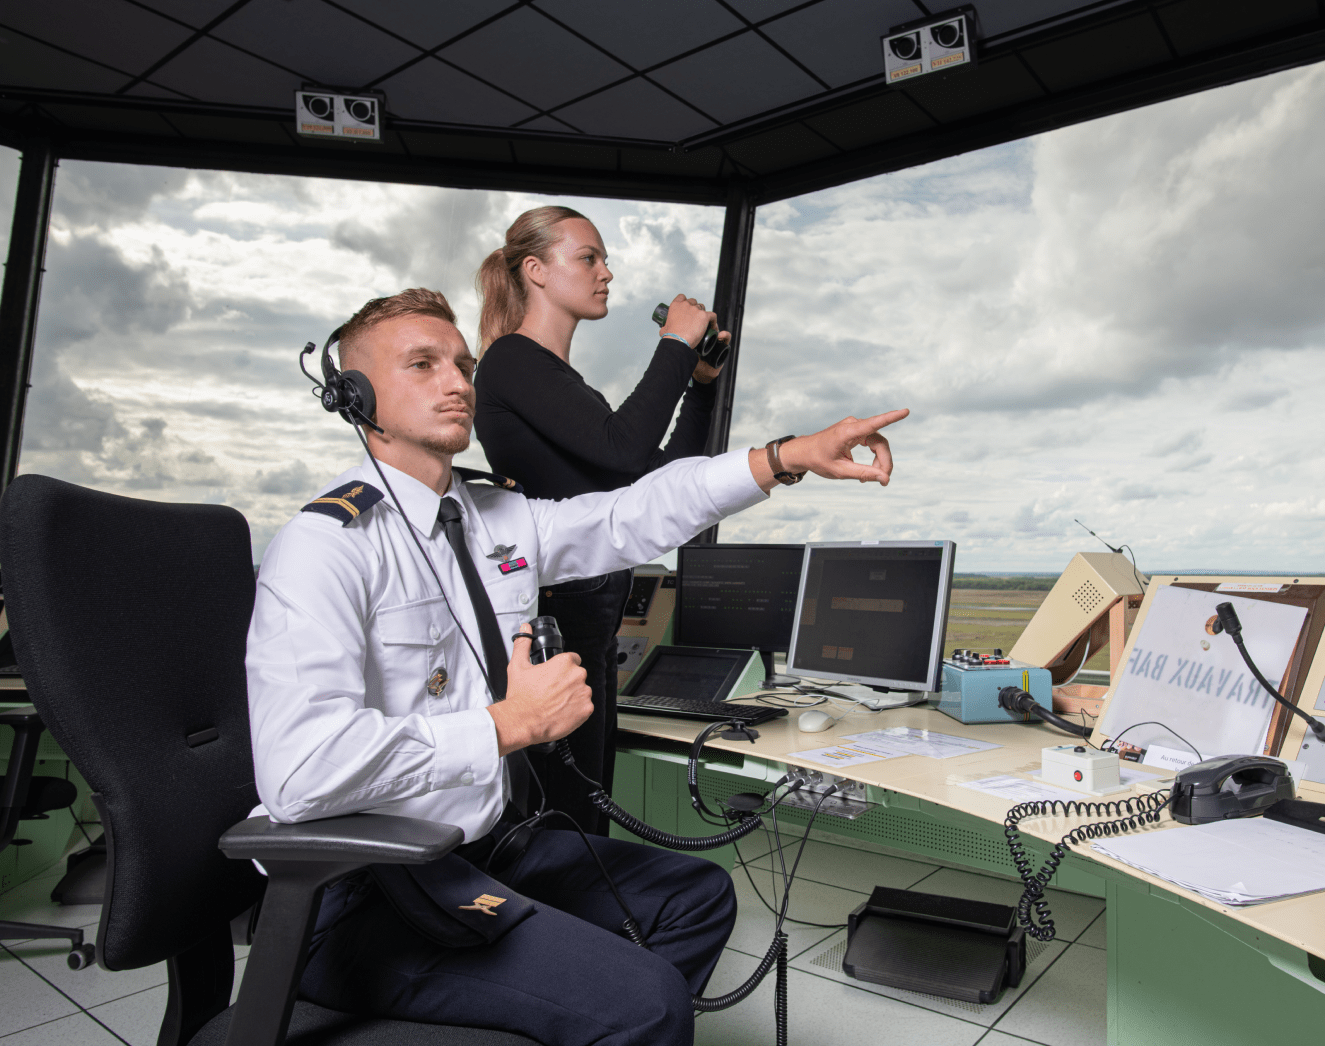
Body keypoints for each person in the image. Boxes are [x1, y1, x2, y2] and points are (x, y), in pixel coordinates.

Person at [246, 287, 908, 1045]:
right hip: (365, 892)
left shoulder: (498, 516)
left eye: (461, 363)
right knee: (649, 1000)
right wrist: (503, 726)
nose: (458, 381)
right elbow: (298, 774)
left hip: (485, 853)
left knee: (697, 897)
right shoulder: (328, 545)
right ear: (355, 396)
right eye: (422, 364)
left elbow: (631, 514)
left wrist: (781, 458)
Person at [474, 206, 729, 835]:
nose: (605, 273)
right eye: (588, 257)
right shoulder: (509, 361)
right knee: (565, 832)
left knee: (586, 827)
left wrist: (698, 384)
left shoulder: (563, 386)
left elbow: (654, 484)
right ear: (535, 270)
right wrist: (672, 342)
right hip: (554, 632)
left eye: (604, 259)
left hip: (588, 629)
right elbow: (622, 447)